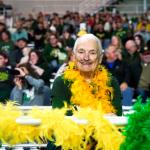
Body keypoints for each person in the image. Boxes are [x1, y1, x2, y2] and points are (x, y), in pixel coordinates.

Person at [52, 34, 122, 115]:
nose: (86, 58)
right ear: (74, 56)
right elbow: (60, 118)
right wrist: (100, 117)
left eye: (92, 53)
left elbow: (118, 119)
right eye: (81, 52)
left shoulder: (111, 82)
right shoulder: (61, 82)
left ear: (100, 58)